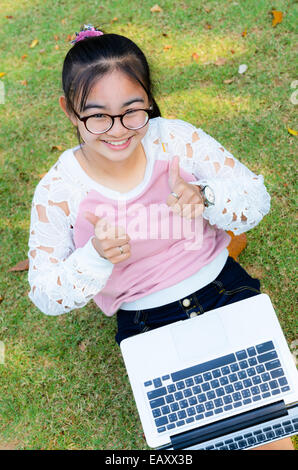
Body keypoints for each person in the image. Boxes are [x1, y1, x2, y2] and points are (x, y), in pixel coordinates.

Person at [27, 25, 293, 450]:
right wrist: (95, 256)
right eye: (97, 116)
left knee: (268, 430)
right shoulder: (60, 190)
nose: (118, 130)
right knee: (201, 438)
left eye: (133, 110)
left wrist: (205, 197)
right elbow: (43, 293)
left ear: (149, 99)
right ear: (69, 110)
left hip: (223, 288)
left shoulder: (174, 138)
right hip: (146, 323)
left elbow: (255, 197)